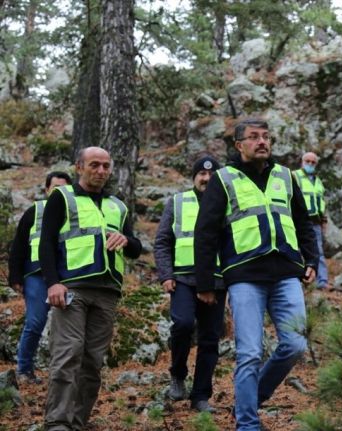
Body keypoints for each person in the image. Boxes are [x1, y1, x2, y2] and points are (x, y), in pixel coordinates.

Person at [194, 117, 318, 431]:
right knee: (249, 352)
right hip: (245, 276)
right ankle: (247, 424)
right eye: (253, 137)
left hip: (286, 274)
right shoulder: (224, 179)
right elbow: (205, 232)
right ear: (239, 145)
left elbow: (303, 222)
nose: (262, 141)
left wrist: (311, 259)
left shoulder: (286, 177)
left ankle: (249, 399)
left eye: (265, 136)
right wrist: (206, 283)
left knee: (296, 345)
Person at [40, 147, 142, 431]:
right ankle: (58, 422)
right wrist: (52, 282)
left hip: (108, 292)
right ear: (79, 167)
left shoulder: (118, 206)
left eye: (105, 166)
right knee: (68, 354)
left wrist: (126, 239)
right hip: (72, 288)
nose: (100, 171)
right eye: (94, 165)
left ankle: (77, 422)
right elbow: (46, 242)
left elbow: (136, 247)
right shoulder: (63, 197)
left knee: (93, 361)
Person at [154, 155, 226, 413]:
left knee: (210, 339)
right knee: (183, 324)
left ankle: (201, 396)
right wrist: (166, 275)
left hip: (217, 281)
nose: (206, 179)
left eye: (211, 175)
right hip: (183, 279)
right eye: (201, 175)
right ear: (194, 177)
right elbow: (163, 240)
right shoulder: (177, 202)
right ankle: (177, 373)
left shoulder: (227, 203)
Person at [8, 171, 71, 384]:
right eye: (55, 188)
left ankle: (66, 373)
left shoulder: (76, 211)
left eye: (63, 188)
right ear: (46, 190)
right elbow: (18, 245)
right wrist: (15, 276)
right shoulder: (35, 212)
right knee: (35, 322)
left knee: (71, 327)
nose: (59, 192)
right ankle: (24, 370)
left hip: (68, 275)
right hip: (36, 275)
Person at [293, 152, 329, 289]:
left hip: (315, 222)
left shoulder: (318, 181)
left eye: (313, 162)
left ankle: (322, 282)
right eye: (307, 161)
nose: (310, 164)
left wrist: (323, 221)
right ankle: (298, 280)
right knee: (295, 250)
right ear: (302, 161)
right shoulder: (295, 176)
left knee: (317, 251)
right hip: (298, 220)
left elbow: (322, 202)